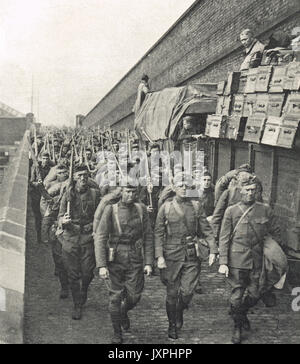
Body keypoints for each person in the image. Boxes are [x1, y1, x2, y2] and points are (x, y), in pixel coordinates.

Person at [155, 172, 218, 340]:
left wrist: (213, 250)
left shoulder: (196, 206)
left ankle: (179, 311)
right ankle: (172, 324)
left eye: (186, 186)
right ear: (174, 187)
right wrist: (159, 256)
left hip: (191, 254)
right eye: (180, 185)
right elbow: (158, 233)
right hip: (171, 255)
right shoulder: (166, 207)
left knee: (188, 292)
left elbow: (207, 230)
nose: (184, 188)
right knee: (172, 293)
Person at [218, 177, 281, 344]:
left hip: (257, 259)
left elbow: (275, 231)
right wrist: (223, 261)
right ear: (240, 191)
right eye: (247, 190)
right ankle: (237, 327)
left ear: (257, 191)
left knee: (255, 293)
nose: (250, 193)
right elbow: (224, 238)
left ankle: (241, 313)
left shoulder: (265, 210)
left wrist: (271, 250)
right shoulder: (231, 211)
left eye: (253, 189)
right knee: (236, 296)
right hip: (236, 259)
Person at [94, 179, 154, 344]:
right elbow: (100, 237)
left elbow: (148, 235)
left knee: (134, 296)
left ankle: (122, 312)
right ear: (120, 191)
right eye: (127, 191)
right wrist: (101, 265)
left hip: (135, 258)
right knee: (115, 297)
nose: (130, 195)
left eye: (133, 192)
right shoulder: (110, 210)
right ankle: (117, 333)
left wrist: (149, 262)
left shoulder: (141, 210)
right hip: (114, 259)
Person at [57, 165, 100, 320]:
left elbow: (100, 215)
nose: (83, 178)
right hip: (70, 239)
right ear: (74, 177)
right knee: (73, 275)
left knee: (88, 273)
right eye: (80, 175)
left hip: (88, 238)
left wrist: (94, 226)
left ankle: (84, 292)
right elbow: (60, 216)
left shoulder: (95, 194)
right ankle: (77, 304)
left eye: (86, 175)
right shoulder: (67, 195)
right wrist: (63, 220)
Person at [30, 151, 52, 243]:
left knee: (47, 216)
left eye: (47, 158)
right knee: (38, 217)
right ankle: (39, 237)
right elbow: (31, 182)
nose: (45, 160)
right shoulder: (36, 168)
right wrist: (36, 184)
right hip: (36, 195)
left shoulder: (50, 170)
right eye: (43, 158)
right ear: (40, 158)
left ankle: (47, 236)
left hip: (46, 195)